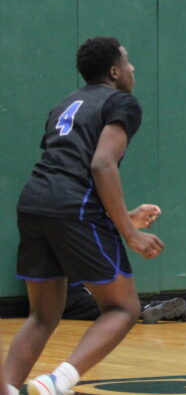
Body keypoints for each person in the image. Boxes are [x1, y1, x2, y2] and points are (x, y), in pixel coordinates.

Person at [3, 36, 163, 395]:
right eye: (128, 61)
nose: (133, 68)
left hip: (33, 203)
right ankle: (58, 382)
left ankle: (8, 388)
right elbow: (101, 164)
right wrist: (129, 233)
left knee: (43, 315)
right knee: (123, 308)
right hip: (72, 207)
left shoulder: (66, 103)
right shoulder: (123, 102)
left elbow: (66, 167)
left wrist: (126, 215)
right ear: (114, 71)